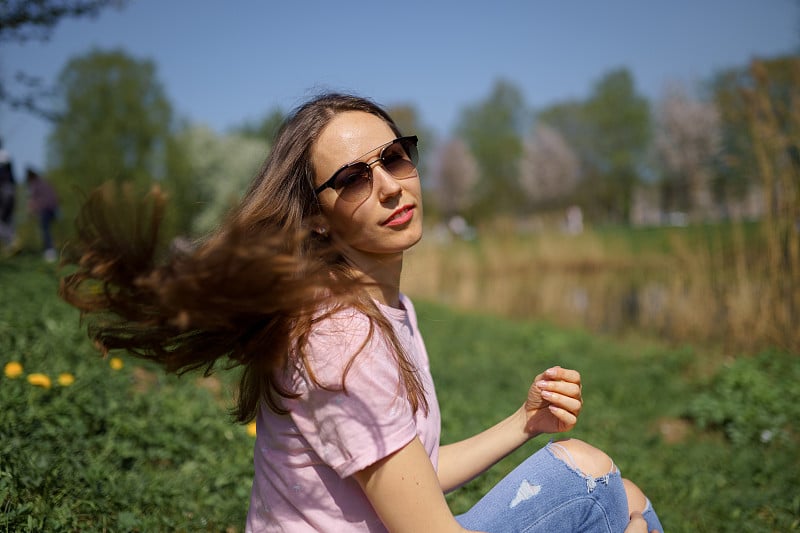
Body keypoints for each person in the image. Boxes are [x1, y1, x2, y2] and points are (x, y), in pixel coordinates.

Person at [60, 93, 663, 532]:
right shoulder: (341, 338)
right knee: (590, 476)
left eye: (395, 157)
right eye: (352, 178)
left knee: (626, 502)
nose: (390, 186)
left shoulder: (382, 306)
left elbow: (414, 478)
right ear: (317, 215)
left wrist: (524, 423)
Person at [25, 167, 59, 261]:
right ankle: (50, 250)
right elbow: (54, 196)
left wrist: (30, 210)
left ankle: (49, 252)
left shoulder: (34, 184)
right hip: (53, 208)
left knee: (45, 230)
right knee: (47, 229)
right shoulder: (44, 183)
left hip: (44, 209)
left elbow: (31, 199)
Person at [0, 139, 16, 250]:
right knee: (8, 218)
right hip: (10, 190)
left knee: (4, 217)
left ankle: (11, 241)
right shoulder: (7, 155)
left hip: (4, 191)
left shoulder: (3, 157)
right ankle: (10, 244)